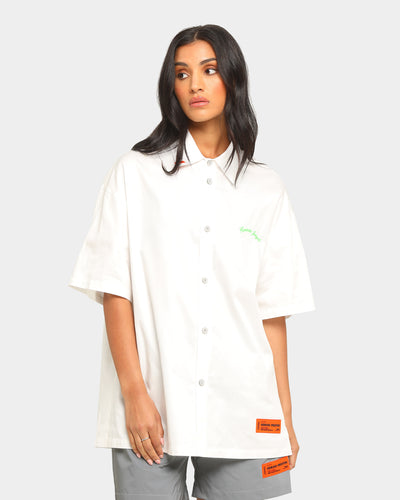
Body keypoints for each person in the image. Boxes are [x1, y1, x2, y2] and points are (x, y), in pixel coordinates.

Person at [68, 24, 316, 500]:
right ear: (171, 86)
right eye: (182, 74)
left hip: (246, 410)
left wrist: (284, 417)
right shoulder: (134, 173)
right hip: (150, 410)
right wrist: (134, 394)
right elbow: (114, 289)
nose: (195, 85)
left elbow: (272, 313)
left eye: (209, 70)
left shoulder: (266, 188)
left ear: (233, 79)